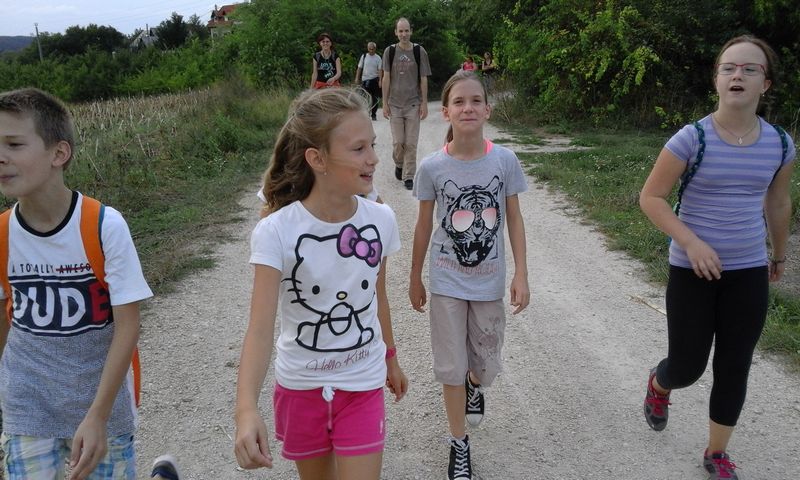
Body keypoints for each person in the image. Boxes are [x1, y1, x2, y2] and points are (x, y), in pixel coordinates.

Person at [639, 35, 795, 480]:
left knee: (734, 365)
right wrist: (691, 242)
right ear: (716, 80)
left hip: (748, 271)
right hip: (692, 270)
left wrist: (778, 254)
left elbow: (778, 202)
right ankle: (660, 384)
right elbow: (651, 197)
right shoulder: (693, 138)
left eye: (749, 69)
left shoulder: (780, 143)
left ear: (765, 83)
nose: (737, 75)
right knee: (687, 367)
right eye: (728, 68)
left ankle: (716, 453)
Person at [234, 88, 408, 480]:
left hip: (363, 384)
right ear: (317, 159)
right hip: (301, 389)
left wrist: (390, 358)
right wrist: (245, 410)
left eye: (373, 145)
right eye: (359, 149)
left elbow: (378, 299)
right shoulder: (276, 232)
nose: (373, 158)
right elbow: (259, 330)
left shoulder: (380, 220)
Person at [0, 88, 153, 479]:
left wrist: (98, 416)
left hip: (101, 407)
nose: (1, 156)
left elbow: (128, 325)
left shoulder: (103, 226)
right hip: (26, 407)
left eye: (14, 144)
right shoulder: (1, 234)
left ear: (59, 153)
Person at [409, 71, 530, 480]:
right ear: (445, 111)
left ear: (488, 109)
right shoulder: (432, 167)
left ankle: (475, 384)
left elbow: (514, 218)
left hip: (489, 281)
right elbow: (423, 225)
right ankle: (458, 443)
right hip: (446, 279)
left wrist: (521, 273)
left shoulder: (504, 161)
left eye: (475, 100)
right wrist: (415, 276)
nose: (468, 108)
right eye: (459, 102)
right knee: (450, 364)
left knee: (487, 363)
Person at [382, 17, 432, 191]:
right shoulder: (389, 51)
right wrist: (384, 103)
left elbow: (423, 78)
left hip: (413, 104)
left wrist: (424, 103)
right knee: (398, 142)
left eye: (406, 30)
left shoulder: (419, 51)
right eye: (400, 31)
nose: (404, 34)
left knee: (411, 143)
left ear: (411, 31)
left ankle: (409, 176)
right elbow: (386, 78)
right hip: (395, 104)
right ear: (396, 32)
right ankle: (399, 164)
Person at [355, 42, 383, 121]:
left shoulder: (378, 58)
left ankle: (373, 114)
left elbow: (380, 70)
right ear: (367, 48)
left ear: (375, 49)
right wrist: (357, 78)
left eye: (372, 49)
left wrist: (380, 80)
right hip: (365, 80)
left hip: (374, 80)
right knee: (364, 98)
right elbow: (359, 68)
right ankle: (366, 113)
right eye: (370, 49)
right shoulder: (364, 56)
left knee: (374, 98)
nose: (371, 50)